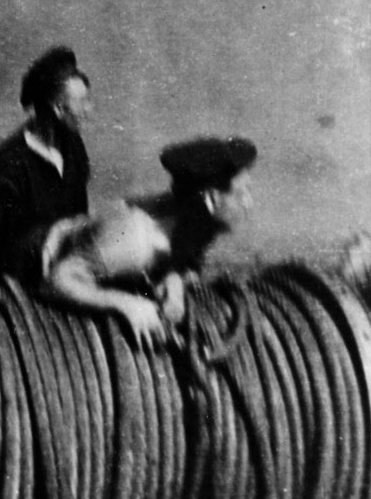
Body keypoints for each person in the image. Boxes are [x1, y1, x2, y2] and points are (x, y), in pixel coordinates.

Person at [43, 136, 257, 348]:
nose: (249, 203)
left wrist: (175, 278)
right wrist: (126, 304)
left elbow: (186, 246)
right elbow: (58, 279)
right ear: (211, 198)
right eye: (242, 192)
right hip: (39, 254)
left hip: (92, 245)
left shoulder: (197, 217)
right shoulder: (135, 241)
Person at [0, 46, 92, 283]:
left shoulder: (73, 147)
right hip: (10, 278)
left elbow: (79, 217)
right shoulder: (9, 165)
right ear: (58, 109)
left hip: (58, 268)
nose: (89, 110)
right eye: (83, 102)